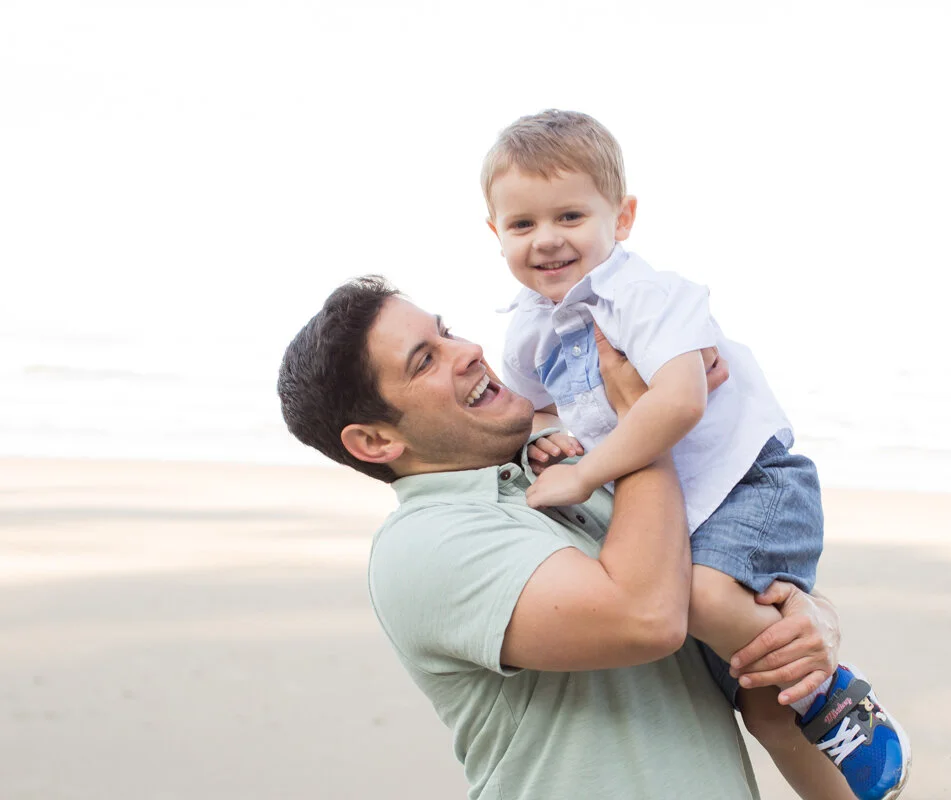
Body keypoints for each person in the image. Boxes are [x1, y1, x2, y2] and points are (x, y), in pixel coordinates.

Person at [277, 278, 854, 799]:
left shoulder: (579, 478)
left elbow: (730, 589)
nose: (469, 350)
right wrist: (645, 422)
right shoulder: (423, 544)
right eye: (425, 360)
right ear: (375, 442)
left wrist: (814, 620)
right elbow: (646, 617)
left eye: (446, 331)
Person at [483, 109, 910, 800]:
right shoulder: (529, 330)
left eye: (570, 216)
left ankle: (837, 696)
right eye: (522, 224)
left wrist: (586, 470)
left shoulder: (645, 297)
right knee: (760, 705)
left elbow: (681, 400)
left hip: (749, 484)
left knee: (706, 600)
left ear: (621, 218)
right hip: (683, 518)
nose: (547, 240)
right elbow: (536, 408)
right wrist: (545, 438)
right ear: (494, 233)